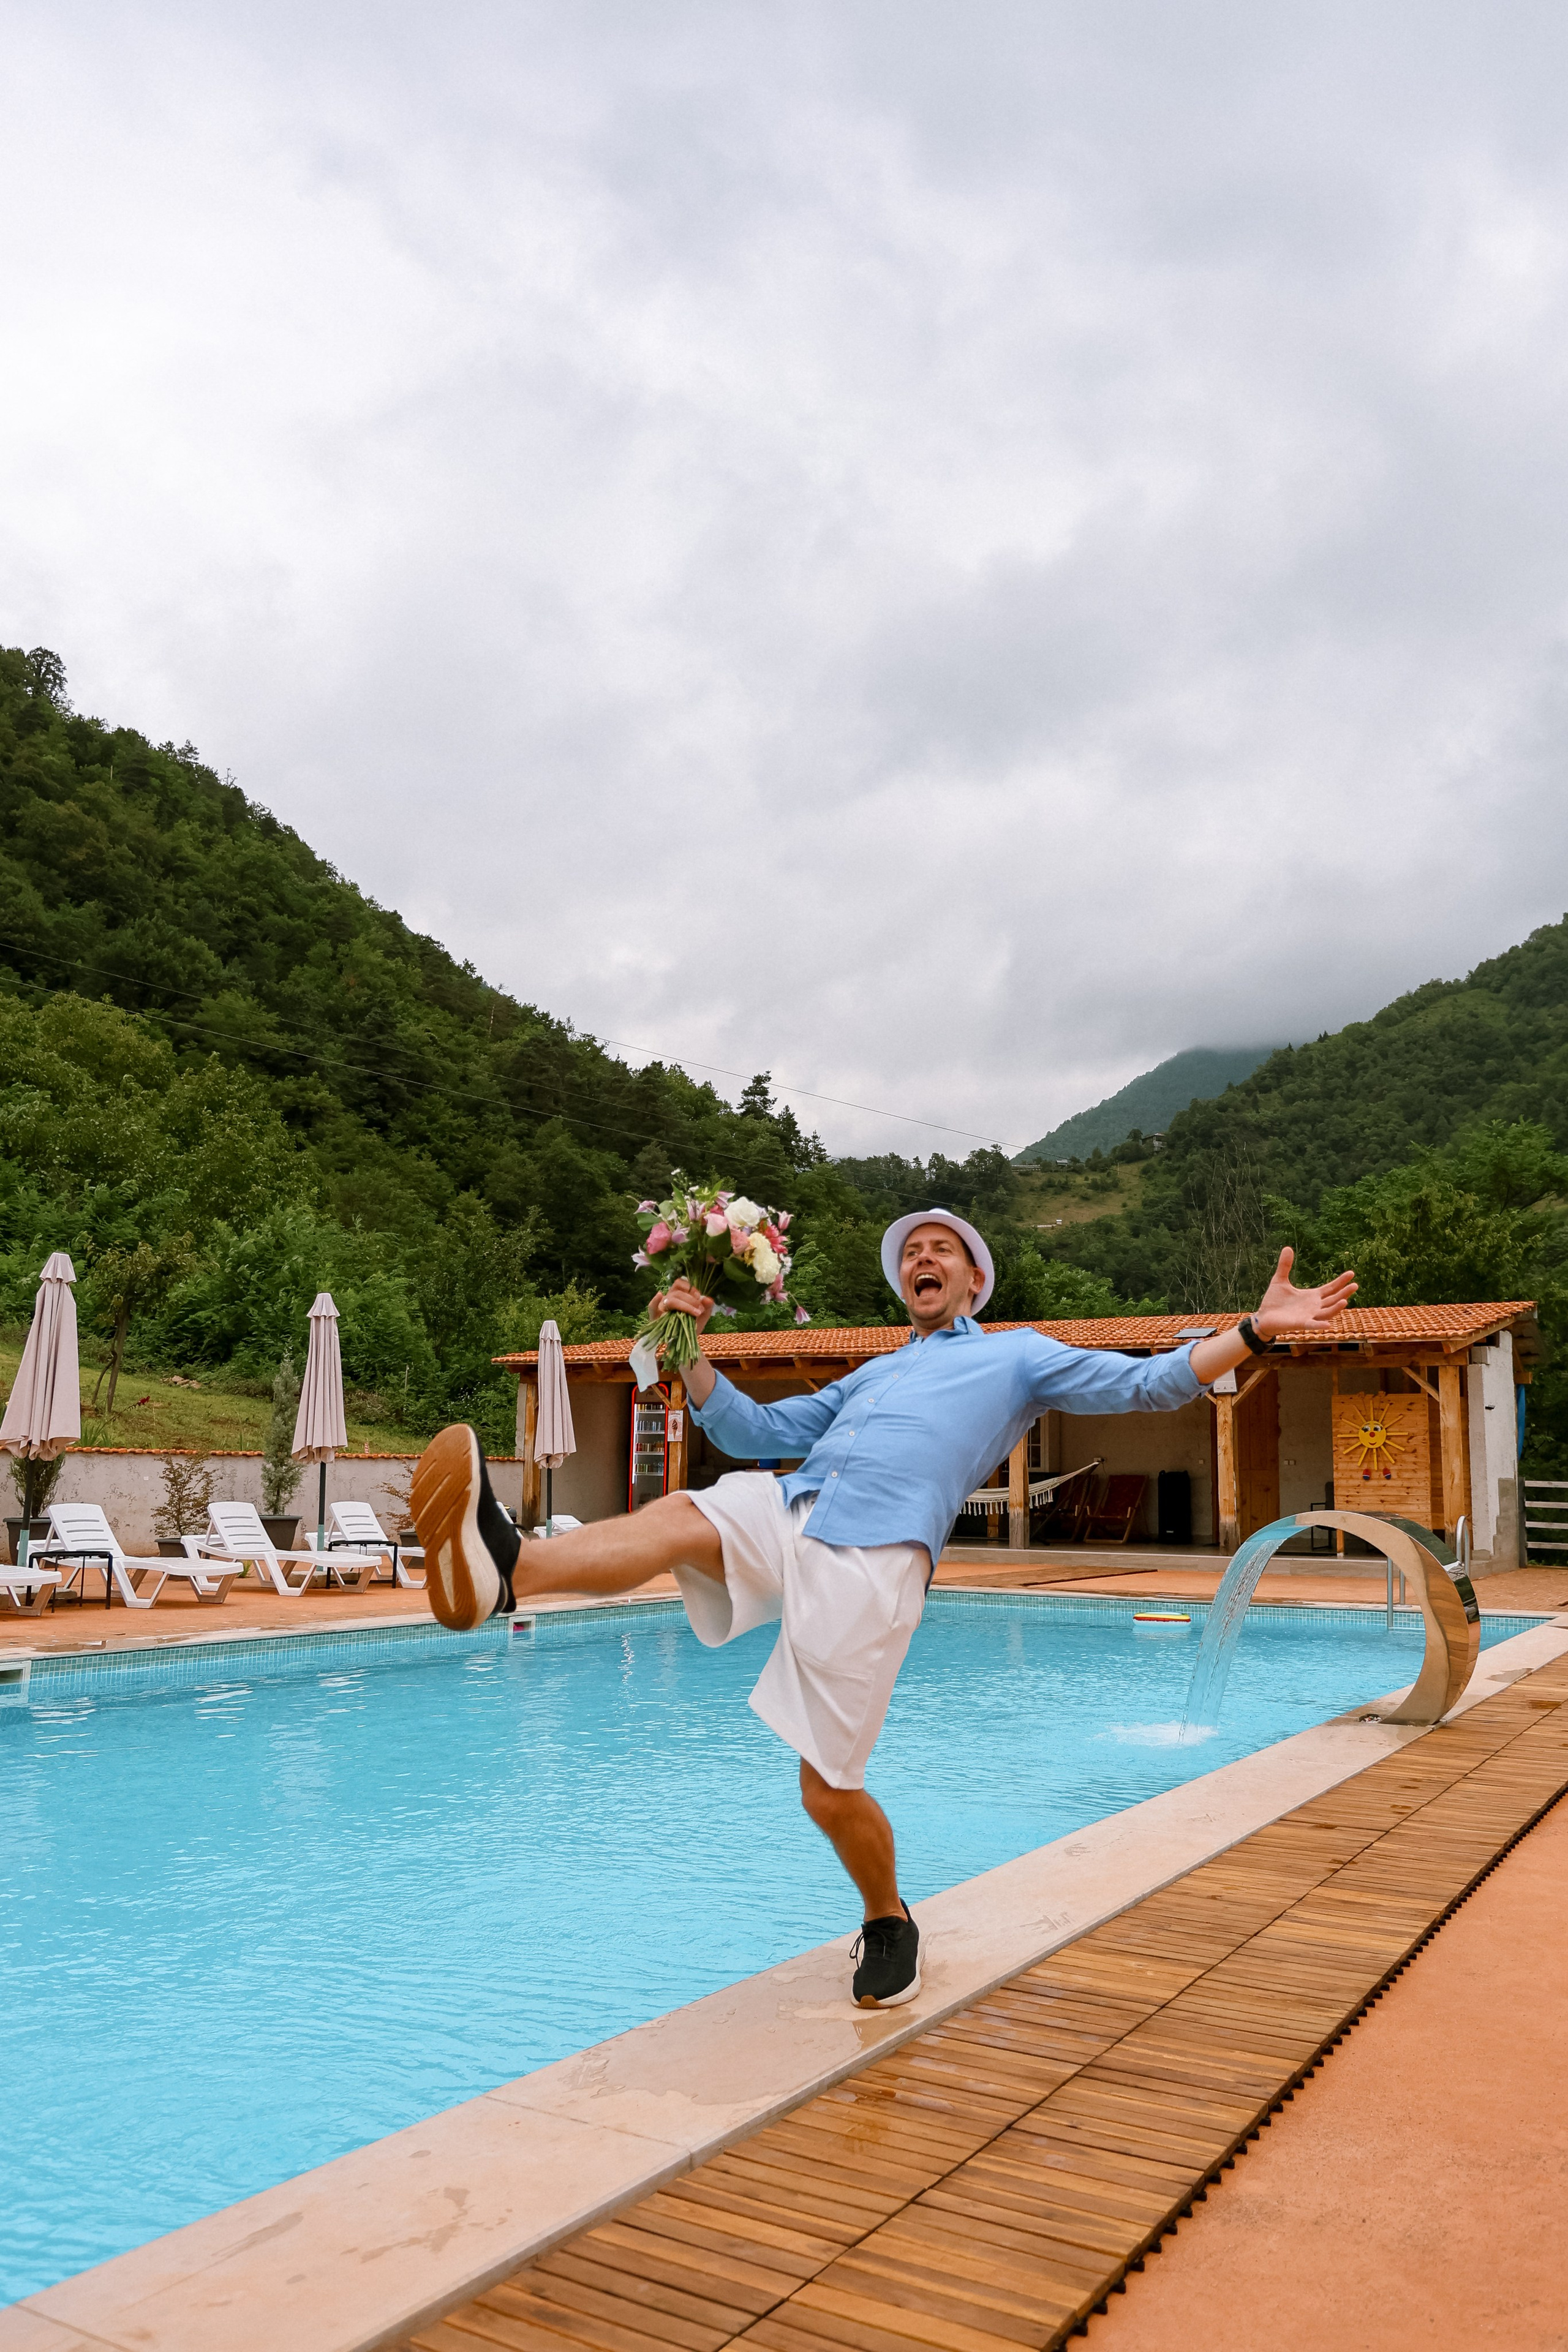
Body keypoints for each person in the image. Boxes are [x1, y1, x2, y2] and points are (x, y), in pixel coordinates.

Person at [410, 1212, 1355, 2008]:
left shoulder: (1018, 1358)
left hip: (877, 1561)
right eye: (911, 1252)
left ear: (976, 1279)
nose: (923, 1259)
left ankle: (887, 1917)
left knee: (825, 1787)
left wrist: (1258, 1332)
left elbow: (1144, 1383)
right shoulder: (873, 1372)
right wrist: (692, 1360)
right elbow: (759, 1432)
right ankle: (507, 1573)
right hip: (794, 1510)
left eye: (943, 1249)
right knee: (683, 1515)